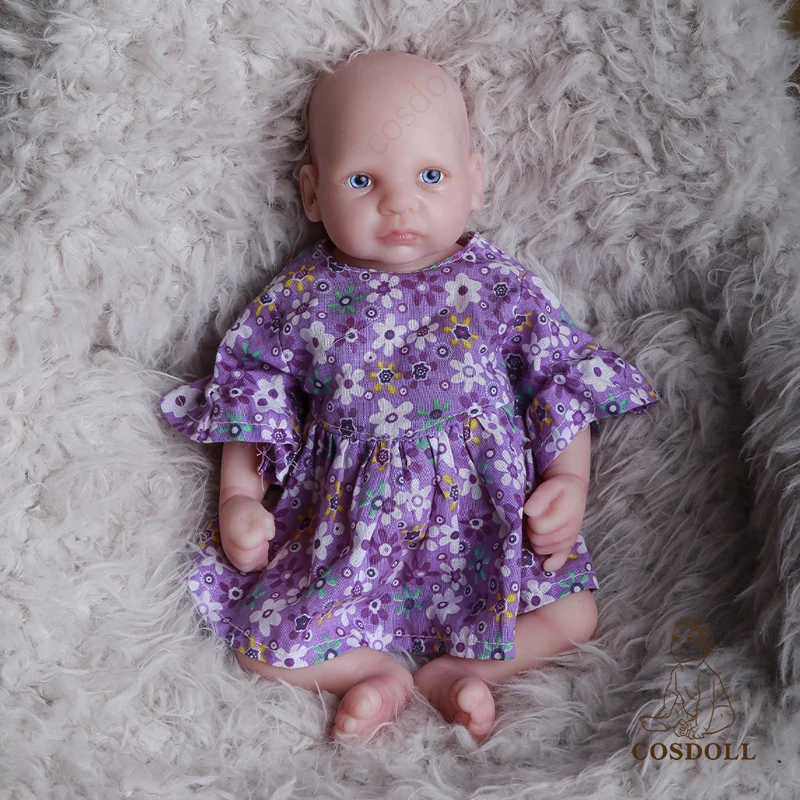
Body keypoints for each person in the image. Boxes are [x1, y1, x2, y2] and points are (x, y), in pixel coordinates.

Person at [161, 50, 658, 741]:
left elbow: (557, 384)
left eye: (430, 176)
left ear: (474, 181)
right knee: (258, 642)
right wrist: (238, 500)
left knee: (574, 616)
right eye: (362, 180)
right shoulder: (300, 298)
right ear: (313, 194)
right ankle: (375, 674)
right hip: (346, 537)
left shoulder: (500, 288)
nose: (398, 204)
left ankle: (458, 673)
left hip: (479, 531)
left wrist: (568, 483)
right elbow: (254, 398)